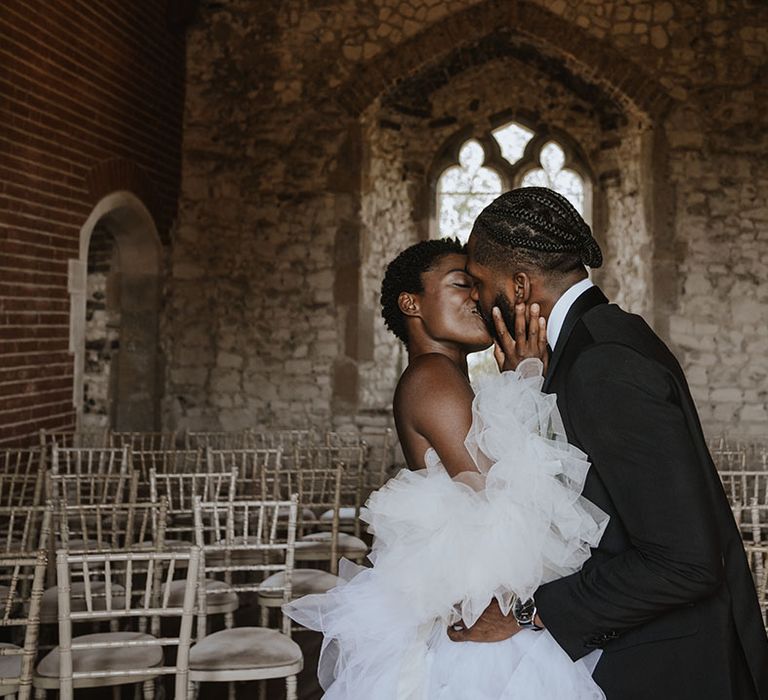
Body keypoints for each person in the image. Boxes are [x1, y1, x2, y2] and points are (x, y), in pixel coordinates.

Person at [459, 186, 768, 699]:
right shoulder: (601, 338)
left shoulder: (603, 366)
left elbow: (685, 561)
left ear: (518, 287)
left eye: (479, 283)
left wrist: (529, 611)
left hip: (673, 667)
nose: (475, 299)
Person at [285, 237, 608, 699]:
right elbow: (500, 502)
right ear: (411, 302)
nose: (478, 296)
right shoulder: (433, 376)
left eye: (478, 285)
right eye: (462, 284)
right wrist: (530, 377)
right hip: (480, 609)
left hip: (473, 589)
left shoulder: (445, 376)